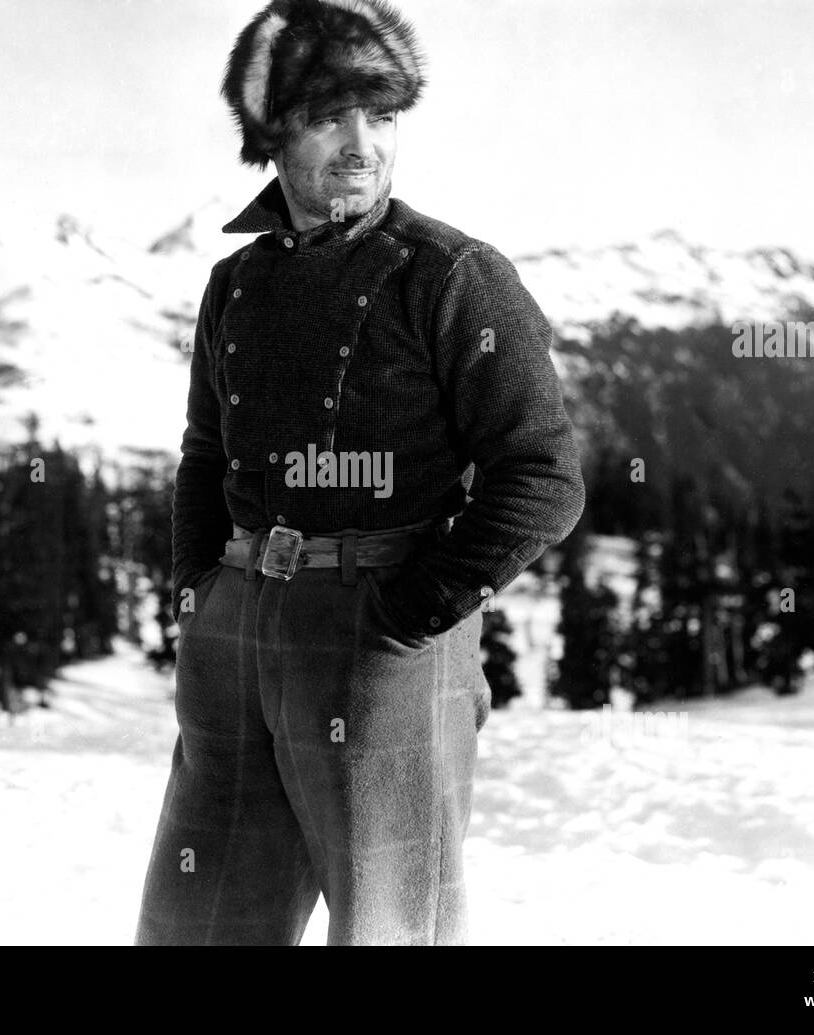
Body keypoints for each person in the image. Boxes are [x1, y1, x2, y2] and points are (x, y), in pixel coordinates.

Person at [135, 0, 584, 945]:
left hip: (383, 649)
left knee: (391, 930)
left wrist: (409, 613)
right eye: (331, 114)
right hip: (236, 639)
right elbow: (204, 455)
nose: (362, 142)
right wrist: (200, 594)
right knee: (194, 927)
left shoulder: (454, 276)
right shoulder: (237, 282)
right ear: (272, 131)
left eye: (381, 116)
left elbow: (542, 474)